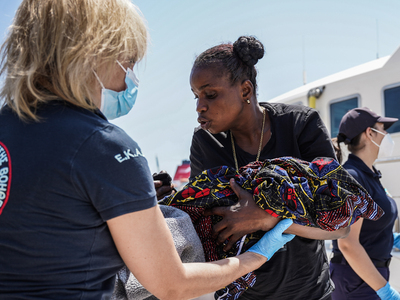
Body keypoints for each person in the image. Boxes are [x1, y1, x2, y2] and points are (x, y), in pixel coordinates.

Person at [0, 1, 295, 299]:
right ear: (95, 54)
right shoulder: (104, 146)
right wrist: (254, 257)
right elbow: (172, 284)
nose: (128, 76)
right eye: (128, 62)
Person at [157, 36, 349, 299]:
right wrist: (169, 206)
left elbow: (340, 226)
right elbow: (205, 224)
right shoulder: (205, 141)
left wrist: (268, 218)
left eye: (210, 94)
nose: (199, 106)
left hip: (310, 293)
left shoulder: (300, 125)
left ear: (245, 91)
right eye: (196, 96)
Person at [330, 107, 400, 300]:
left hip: (366, 278)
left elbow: (367, 228)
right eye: (382, 129)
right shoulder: (353, 177)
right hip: (356, 282)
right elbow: (347, 244)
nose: (386, 134)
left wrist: (390, 238)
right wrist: (385, 291)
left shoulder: (369, 175)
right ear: (370, 133)